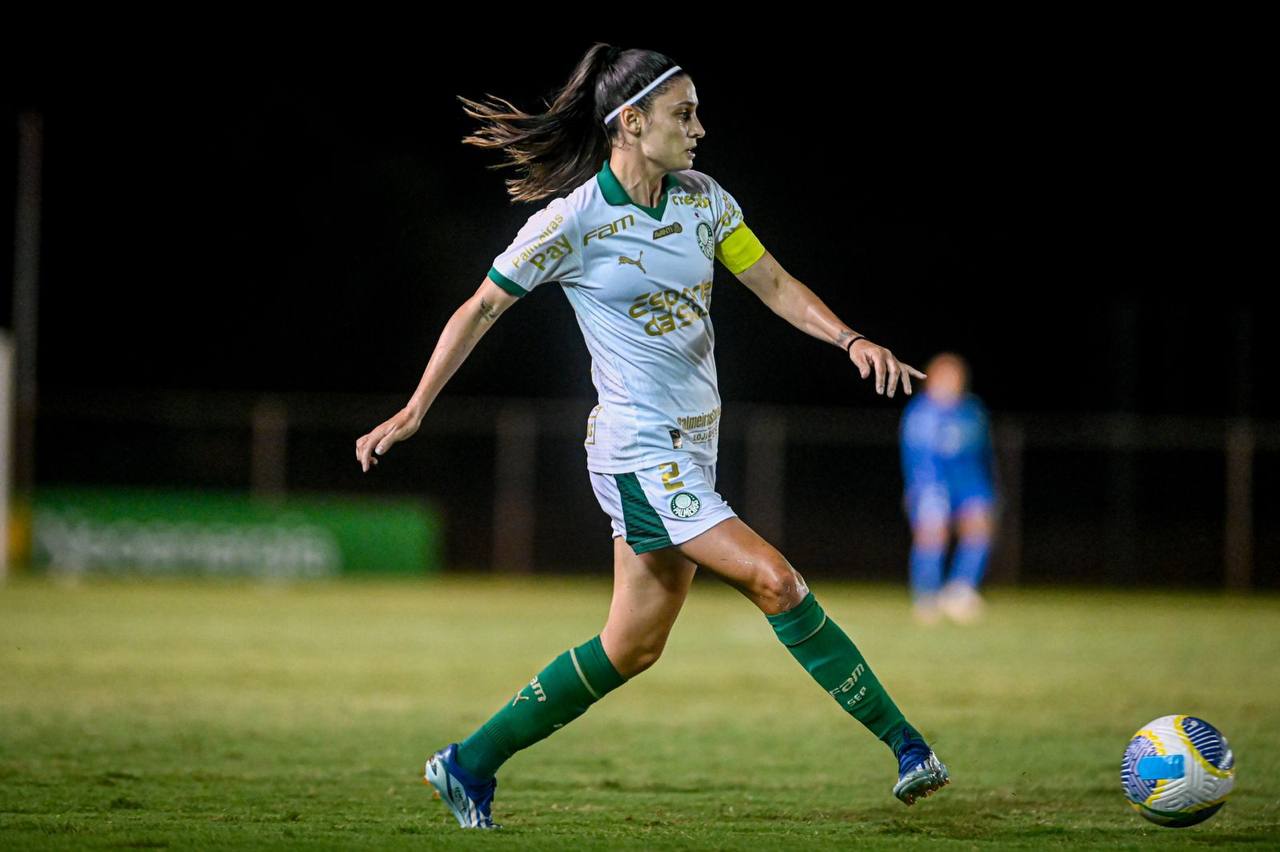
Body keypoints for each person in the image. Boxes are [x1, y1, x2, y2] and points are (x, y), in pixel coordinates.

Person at [355, 44, 949, 830]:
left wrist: (848, 339)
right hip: (638, 450)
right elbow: (480, 308)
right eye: (684, 114)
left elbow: (770, 281)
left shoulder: (704, 200)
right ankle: (909, 749)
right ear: (630, 124)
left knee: (631, 645)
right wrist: (415, 408)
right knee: (774, 579)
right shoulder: (572, 223)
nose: (699, 128)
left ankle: (467, 764)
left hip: (692, 446)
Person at [899, 352, 998, 624]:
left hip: (971, 483)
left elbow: (985, 452)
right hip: (932, 483)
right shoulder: (921, 412)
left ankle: (959, 591)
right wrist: (917, 489)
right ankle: (927, 597)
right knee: (933, 535)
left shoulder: (972, 410)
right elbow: (914, 455)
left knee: (979, 530)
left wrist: (989, 486)